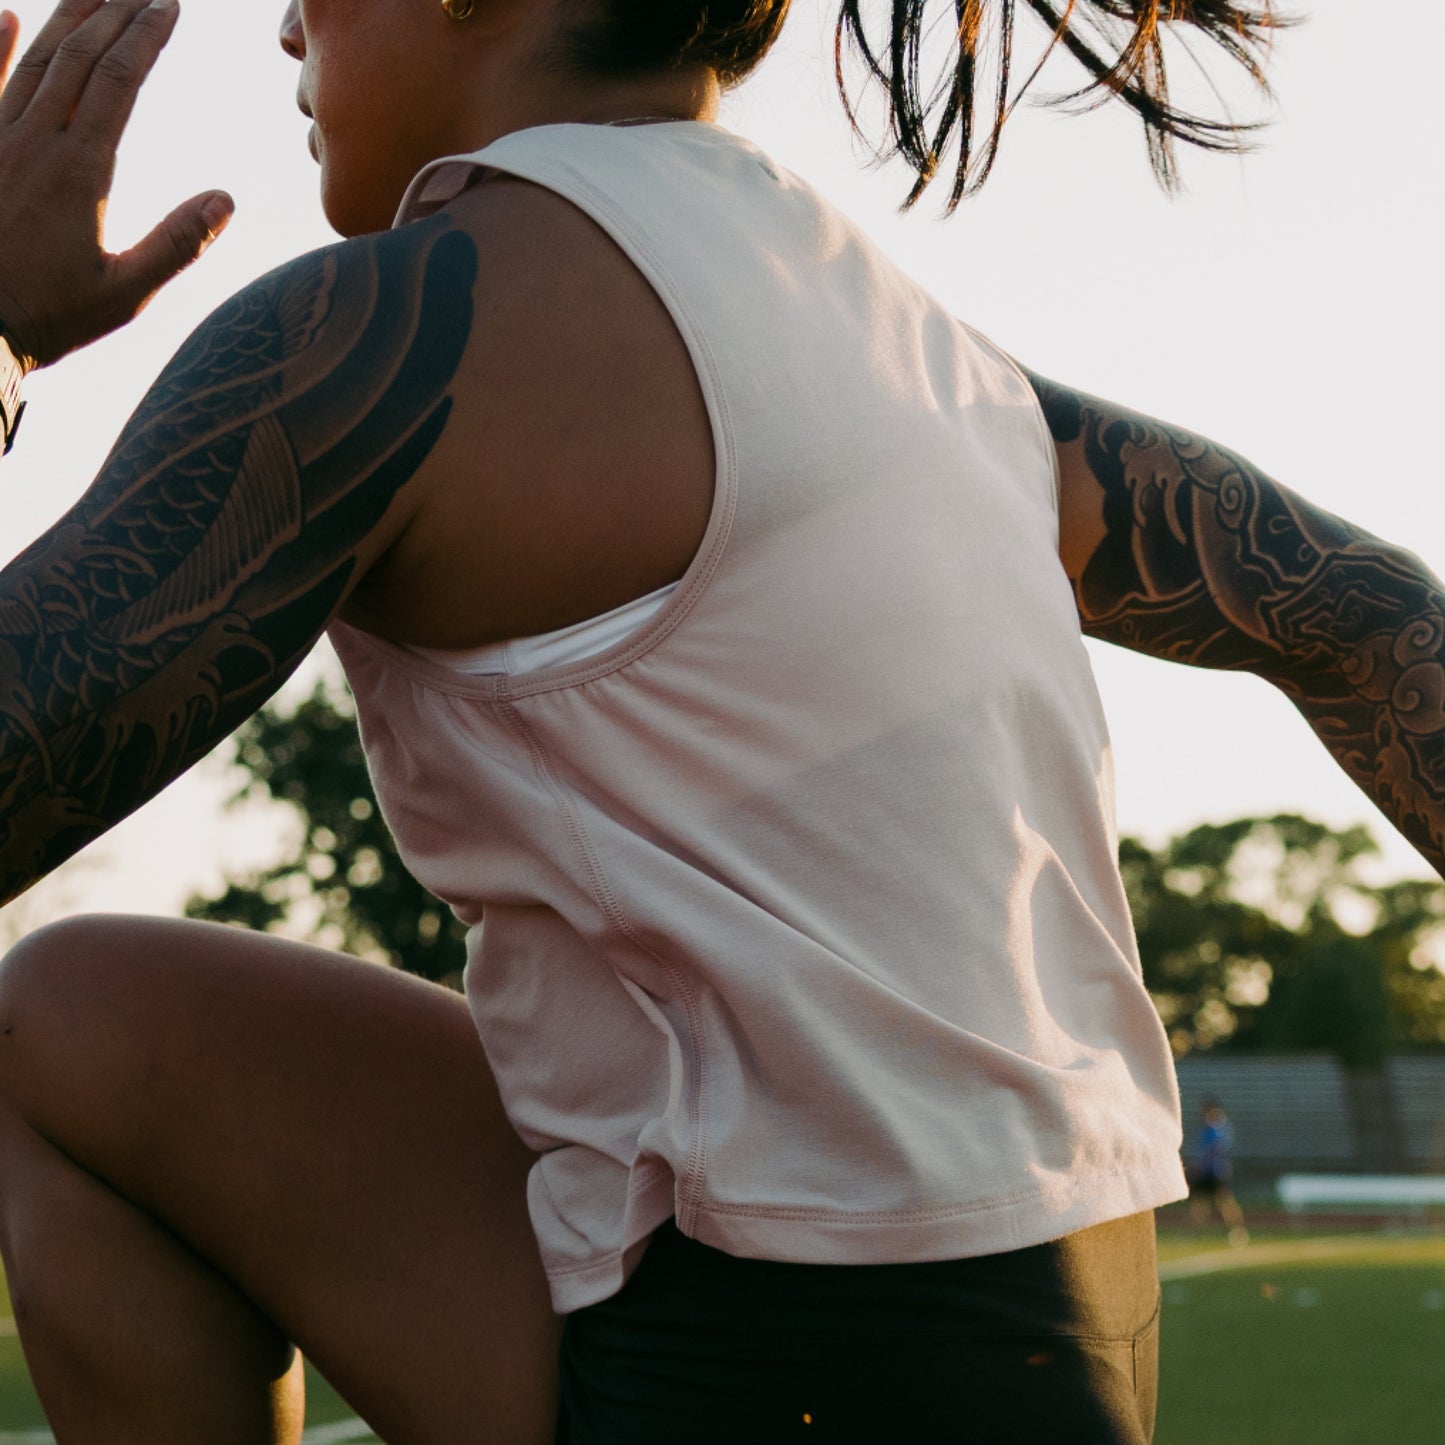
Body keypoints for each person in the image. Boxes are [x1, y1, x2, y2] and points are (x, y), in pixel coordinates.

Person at [0, 1, 1438, 1442]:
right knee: (94, 1015)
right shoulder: (930, 357)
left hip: (783, 1379)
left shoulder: (390, 326)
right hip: (1061, 1341)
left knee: (47, 1028)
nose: (290, 37)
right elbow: (1364, 613)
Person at [1188, 1100, 1249, 1247]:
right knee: (1200, 1203)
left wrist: (1202, 1165)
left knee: (1225, 1202)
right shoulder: (1207, 1128)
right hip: (1207, 1171)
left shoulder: (1219, 1128)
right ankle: (1196, 1232)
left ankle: (1238, 1230)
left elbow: (1215, 1151)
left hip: (1216, 1171)